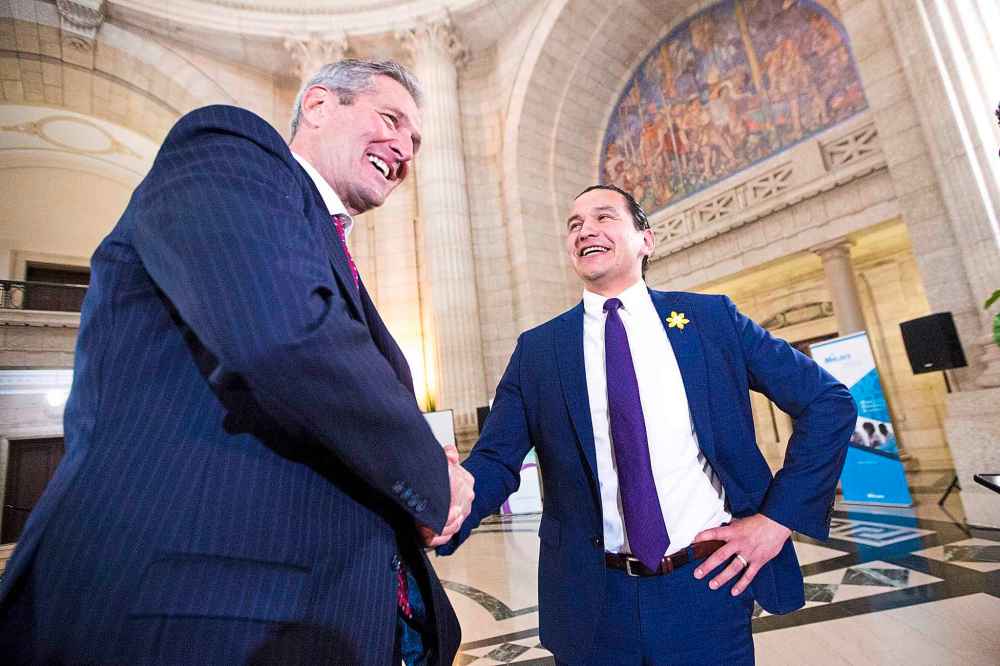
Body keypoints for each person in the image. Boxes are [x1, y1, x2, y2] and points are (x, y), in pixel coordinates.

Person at [0, 59, 473, 666]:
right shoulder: (230, 147)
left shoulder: (326, 245)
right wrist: (434, 479)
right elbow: (283, 335)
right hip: (203, 617)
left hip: (331, 614)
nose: (404, 148)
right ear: (320, 104)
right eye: (390, 119)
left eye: (414, 140)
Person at [439, 184, 855, 664]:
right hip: (591, 602)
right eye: (574, 224)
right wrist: (446, 509)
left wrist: (777, 520)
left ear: (646, 240)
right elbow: (494, 459)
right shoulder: (539, 351)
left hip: (705, 588)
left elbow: (828, 402)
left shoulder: (710, 320)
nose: (585, 230)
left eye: (603, 217)